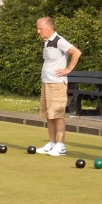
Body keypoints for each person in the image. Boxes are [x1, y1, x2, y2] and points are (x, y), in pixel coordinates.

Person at [35, 17, 82, 156]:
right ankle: (51, 143)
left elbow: (76, 52)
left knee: (57, 114)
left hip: (57, 84)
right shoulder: (46, 42)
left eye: (40, 28)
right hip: (47, 82)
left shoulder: (58, 41)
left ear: (49, 27)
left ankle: (61, 146)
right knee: (49, 114)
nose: (38, 31)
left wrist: (69, 68)